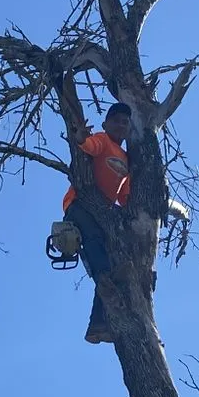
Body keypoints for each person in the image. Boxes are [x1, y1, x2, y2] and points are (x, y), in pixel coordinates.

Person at [62, 103, 132, 344]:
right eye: (116, 120)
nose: (120, 125)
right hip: (79, 206)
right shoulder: (102, 140)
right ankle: (103, 279)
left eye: (125, 122)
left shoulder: (125, 159)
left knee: (110, 264)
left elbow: (125, 197)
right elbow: (89, 146)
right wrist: (81, 137)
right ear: (105, 124)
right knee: (96, 248)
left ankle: (97, 326)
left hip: (103, 215)